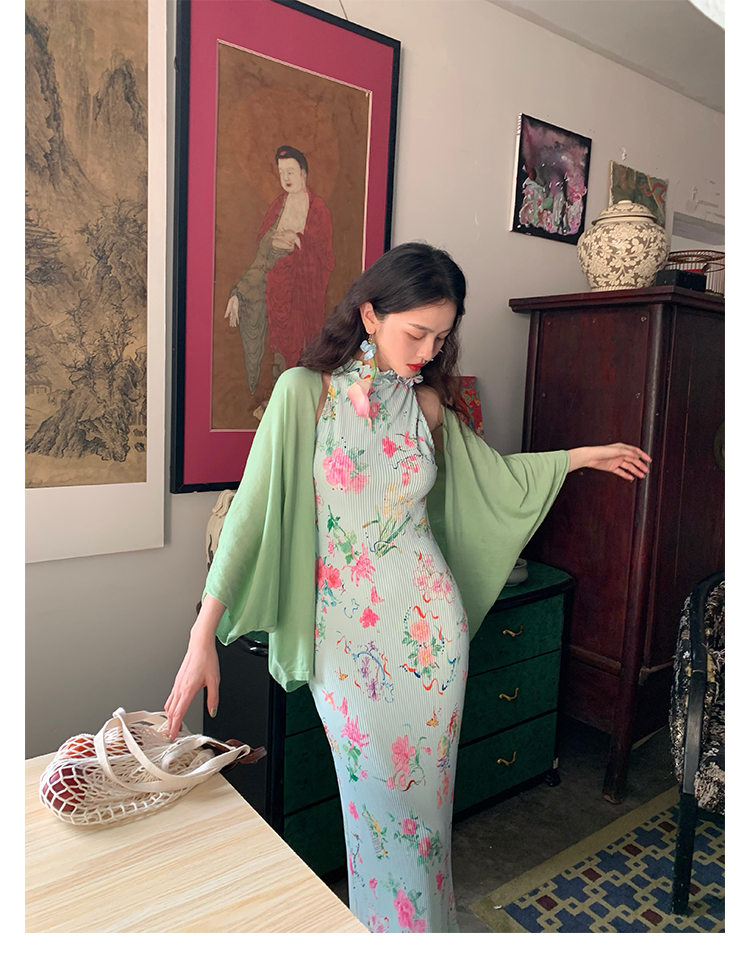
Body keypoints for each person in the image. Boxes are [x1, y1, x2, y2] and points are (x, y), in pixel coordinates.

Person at [167, 242, 651, 933]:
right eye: (416, 333)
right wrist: (202, 637)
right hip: (344, 643)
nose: (428, 351)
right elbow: (249, 514)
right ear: (370, 315)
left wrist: (582, 457)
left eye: (441, 338)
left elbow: (496, 478)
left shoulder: (425, 406)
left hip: (431, 636)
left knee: (424, 822)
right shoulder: (304, 393)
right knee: (374, 807)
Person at [224, 145, 335, 401]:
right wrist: (238, 293)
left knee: (302, 355)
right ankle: (277, 404)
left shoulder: (318, 210)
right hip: (277, 296)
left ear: (304, 173)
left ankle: (300, 406)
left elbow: (326, 259)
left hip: (303, 298)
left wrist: (298, 241)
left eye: (291, 172)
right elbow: (261, 262)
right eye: (281, 172)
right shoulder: (277, 207)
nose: (286, 178)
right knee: (279, 353)